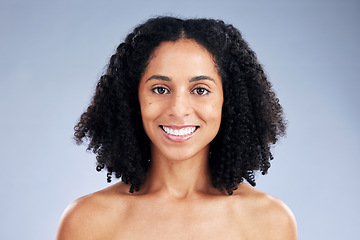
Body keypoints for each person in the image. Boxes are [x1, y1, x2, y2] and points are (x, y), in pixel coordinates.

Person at [57, 16, 297, 239]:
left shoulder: (269, 221)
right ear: (133, 100)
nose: (178, 109)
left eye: (200, 90)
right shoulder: (87, 221)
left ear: (229, 101)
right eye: (160, 89)